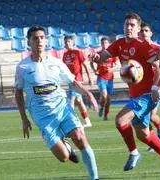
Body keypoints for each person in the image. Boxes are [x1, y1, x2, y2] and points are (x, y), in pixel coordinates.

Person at [90, 12, 160, 174]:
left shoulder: (143, 46)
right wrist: (96, 57)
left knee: (120, 119)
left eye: (132, 25)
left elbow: (158, 67)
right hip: (135, 95)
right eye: (126, 25)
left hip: (147, 96)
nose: (129, 28)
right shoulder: (119, 44)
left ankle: (134, 153)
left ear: (138, 28)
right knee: (143, 134)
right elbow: (103, 58)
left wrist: (155, 88)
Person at [15, 26, 99, 180]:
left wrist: (88, 94)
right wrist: (23, 119)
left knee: (80, 137)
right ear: (28, 42)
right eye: (35, 38)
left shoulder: (56, 62)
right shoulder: (22, 67)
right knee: (64, 157)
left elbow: (72, 82)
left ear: (46, 40)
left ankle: (94, 178)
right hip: (43, 117)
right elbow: (18, 92)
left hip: (62, 108)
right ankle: (66, 146)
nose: (39, 41)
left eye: (41, 37)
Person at [138, 22, 160, 152]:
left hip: (155, 86)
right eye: (141, 31)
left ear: (151, 33)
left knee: (151, 116)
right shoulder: (137, 48)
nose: (143, 33)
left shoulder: (158, 48)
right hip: (141, 87)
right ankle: (153, 142)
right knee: (143, 117)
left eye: (146, 30)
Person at [62, 35, 93, 127]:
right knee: (79, 101)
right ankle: (87, 121)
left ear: (72, 42)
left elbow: (85, 65)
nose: (67, 44)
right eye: (65, 42)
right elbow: (64, 68)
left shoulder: (78, 52)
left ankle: (71, 122)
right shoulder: (65, 55)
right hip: (70, 80)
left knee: (71, 100)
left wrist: (89, 77)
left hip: (77, 80)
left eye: (68, 42)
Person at [90, 37, 119, 121]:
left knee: (108, 100)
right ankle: (101, 107)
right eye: (102, 43)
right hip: (101, 78)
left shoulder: (112, 54)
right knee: (104, 96)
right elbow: (91, 62)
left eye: (106, 43)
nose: (104, 44)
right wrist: (94, 70)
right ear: (101, 44)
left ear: (108, 44)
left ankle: (105, 115)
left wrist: (112, 69)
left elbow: (117, 64)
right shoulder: (98, 54)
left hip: (110, 79)